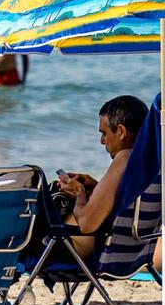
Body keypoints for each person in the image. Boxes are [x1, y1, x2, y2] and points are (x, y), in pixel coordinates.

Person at [52, 96, 146, 262]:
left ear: (122, 132)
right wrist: (96, 188)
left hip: (73, 252)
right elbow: (126, 203)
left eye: (104, 133)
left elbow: (87, 224)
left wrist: (79, 193)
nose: (102, 141)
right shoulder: (152, 162)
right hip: (138, 250)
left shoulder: (125, 158)